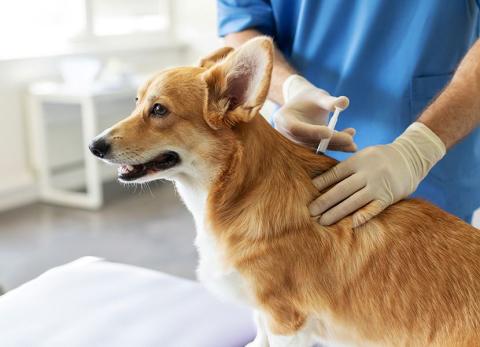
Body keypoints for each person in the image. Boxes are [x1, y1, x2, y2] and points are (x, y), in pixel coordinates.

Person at [217, 0, 480, 226]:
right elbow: (242, 24)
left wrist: (417, 151)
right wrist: (291, 88)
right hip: (299, 157)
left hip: (429, 160)